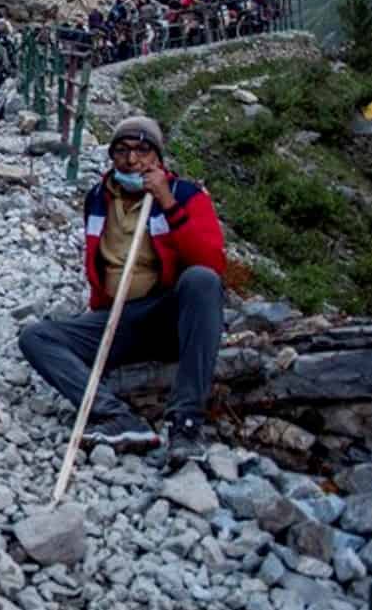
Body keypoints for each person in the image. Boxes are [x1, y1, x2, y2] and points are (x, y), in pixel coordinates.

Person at [18, 116, 226, 468]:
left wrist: (166, 203)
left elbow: (210, 262)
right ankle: (117, 417)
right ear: (112, 155)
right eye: (122, 150)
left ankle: (186, 424)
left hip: (167, 315)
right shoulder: (98, 198)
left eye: (143, 150)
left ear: (157, 157)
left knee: (202, 280)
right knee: (36, 337)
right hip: (119, 319)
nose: (132, 160)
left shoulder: (185, 195)